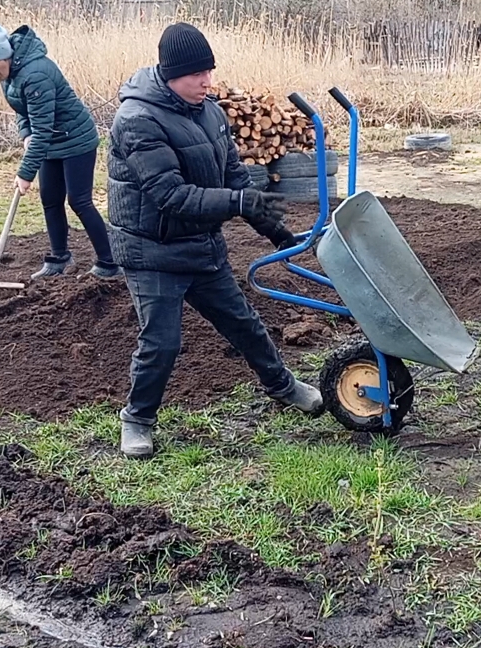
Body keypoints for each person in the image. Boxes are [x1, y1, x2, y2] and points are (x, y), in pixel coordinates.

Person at [105, 22, 323, 458]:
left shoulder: (211, 112)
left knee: (243, 323)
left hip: (200, 245)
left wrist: (278, 233)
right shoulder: (137, 120)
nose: (207, 81)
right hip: (152, 251)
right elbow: (170, 196)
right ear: (170, 75)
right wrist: (238, 200)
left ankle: (282, 387)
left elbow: (235, 179)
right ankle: (137, 420)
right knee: (162, 342)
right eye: (196, 74)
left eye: (210, 71)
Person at [0, 22, 120, 280]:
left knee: (79, 201)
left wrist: (25, 173)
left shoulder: (36, 73)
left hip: (76, 140)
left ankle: (109, 263)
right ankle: (59, 259)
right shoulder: (9, 75)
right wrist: (25, 134)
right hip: (51, 140)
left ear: (3, 56)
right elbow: (23, 110)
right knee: (50, 199)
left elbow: (43, 130)